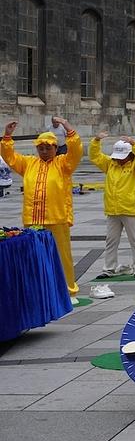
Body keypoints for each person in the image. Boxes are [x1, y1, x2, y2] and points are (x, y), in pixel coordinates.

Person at [2, 117, 82, 303]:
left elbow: (76, 150)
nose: (44, 151)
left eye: (48, 148)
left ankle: (69, 291)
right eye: (41, 148)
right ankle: (38, 291)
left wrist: (67, 127)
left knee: (62, 256)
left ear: (55, 148)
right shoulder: (29, 163)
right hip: (33, 219)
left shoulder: (63, 164)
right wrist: (7, 136)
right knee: (34, 256)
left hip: (57, 217)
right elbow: (10, 157)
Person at [90, 134, 135, 279]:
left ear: (130, 155)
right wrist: (96, 141)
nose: (119, 159)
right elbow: (95, 156)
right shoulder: (110, 163)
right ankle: (108, 268)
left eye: (122, 156)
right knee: (111, 240)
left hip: (130, 208)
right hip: (113, 209)